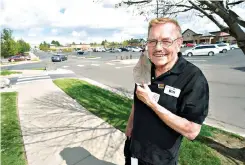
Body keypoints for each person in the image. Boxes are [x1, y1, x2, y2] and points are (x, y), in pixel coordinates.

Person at [124, 17, 209, 165]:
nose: (157, 48)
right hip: (134, 150)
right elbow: (137, 99)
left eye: (166, 41)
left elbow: (192, 131)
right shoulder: (145, 66)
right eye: (152, 41)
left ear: (179, 43)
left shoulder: (193, 78)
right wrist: (130, 125)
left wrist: (152, 104)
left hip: (160, 160)